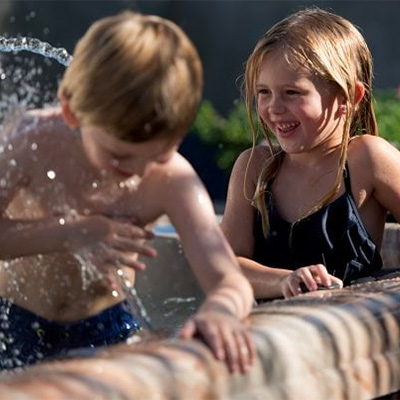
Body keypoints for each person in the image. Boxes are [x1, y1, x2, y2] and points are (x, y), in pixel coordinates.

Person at [0, 11, 255, 373]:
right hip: (12, 319)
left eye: (160, 154)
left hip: (105, 325)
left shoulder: (172, 178)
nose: (137, 172)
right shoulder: (32, 141)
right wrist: (75, 232)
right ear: (73, 112)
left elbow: (229, 278)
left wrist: (221, 309)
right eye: (120, 157)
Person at [221, 7, 400, 300]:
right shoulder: (255, 168)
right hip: (271, 335)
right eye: (263, 92)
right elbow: (225, 268)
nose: (274, 108)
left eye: (292, 93)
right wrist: (284, 281)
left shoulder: (366, 160)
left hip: (350, 334)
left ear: (348, 97)